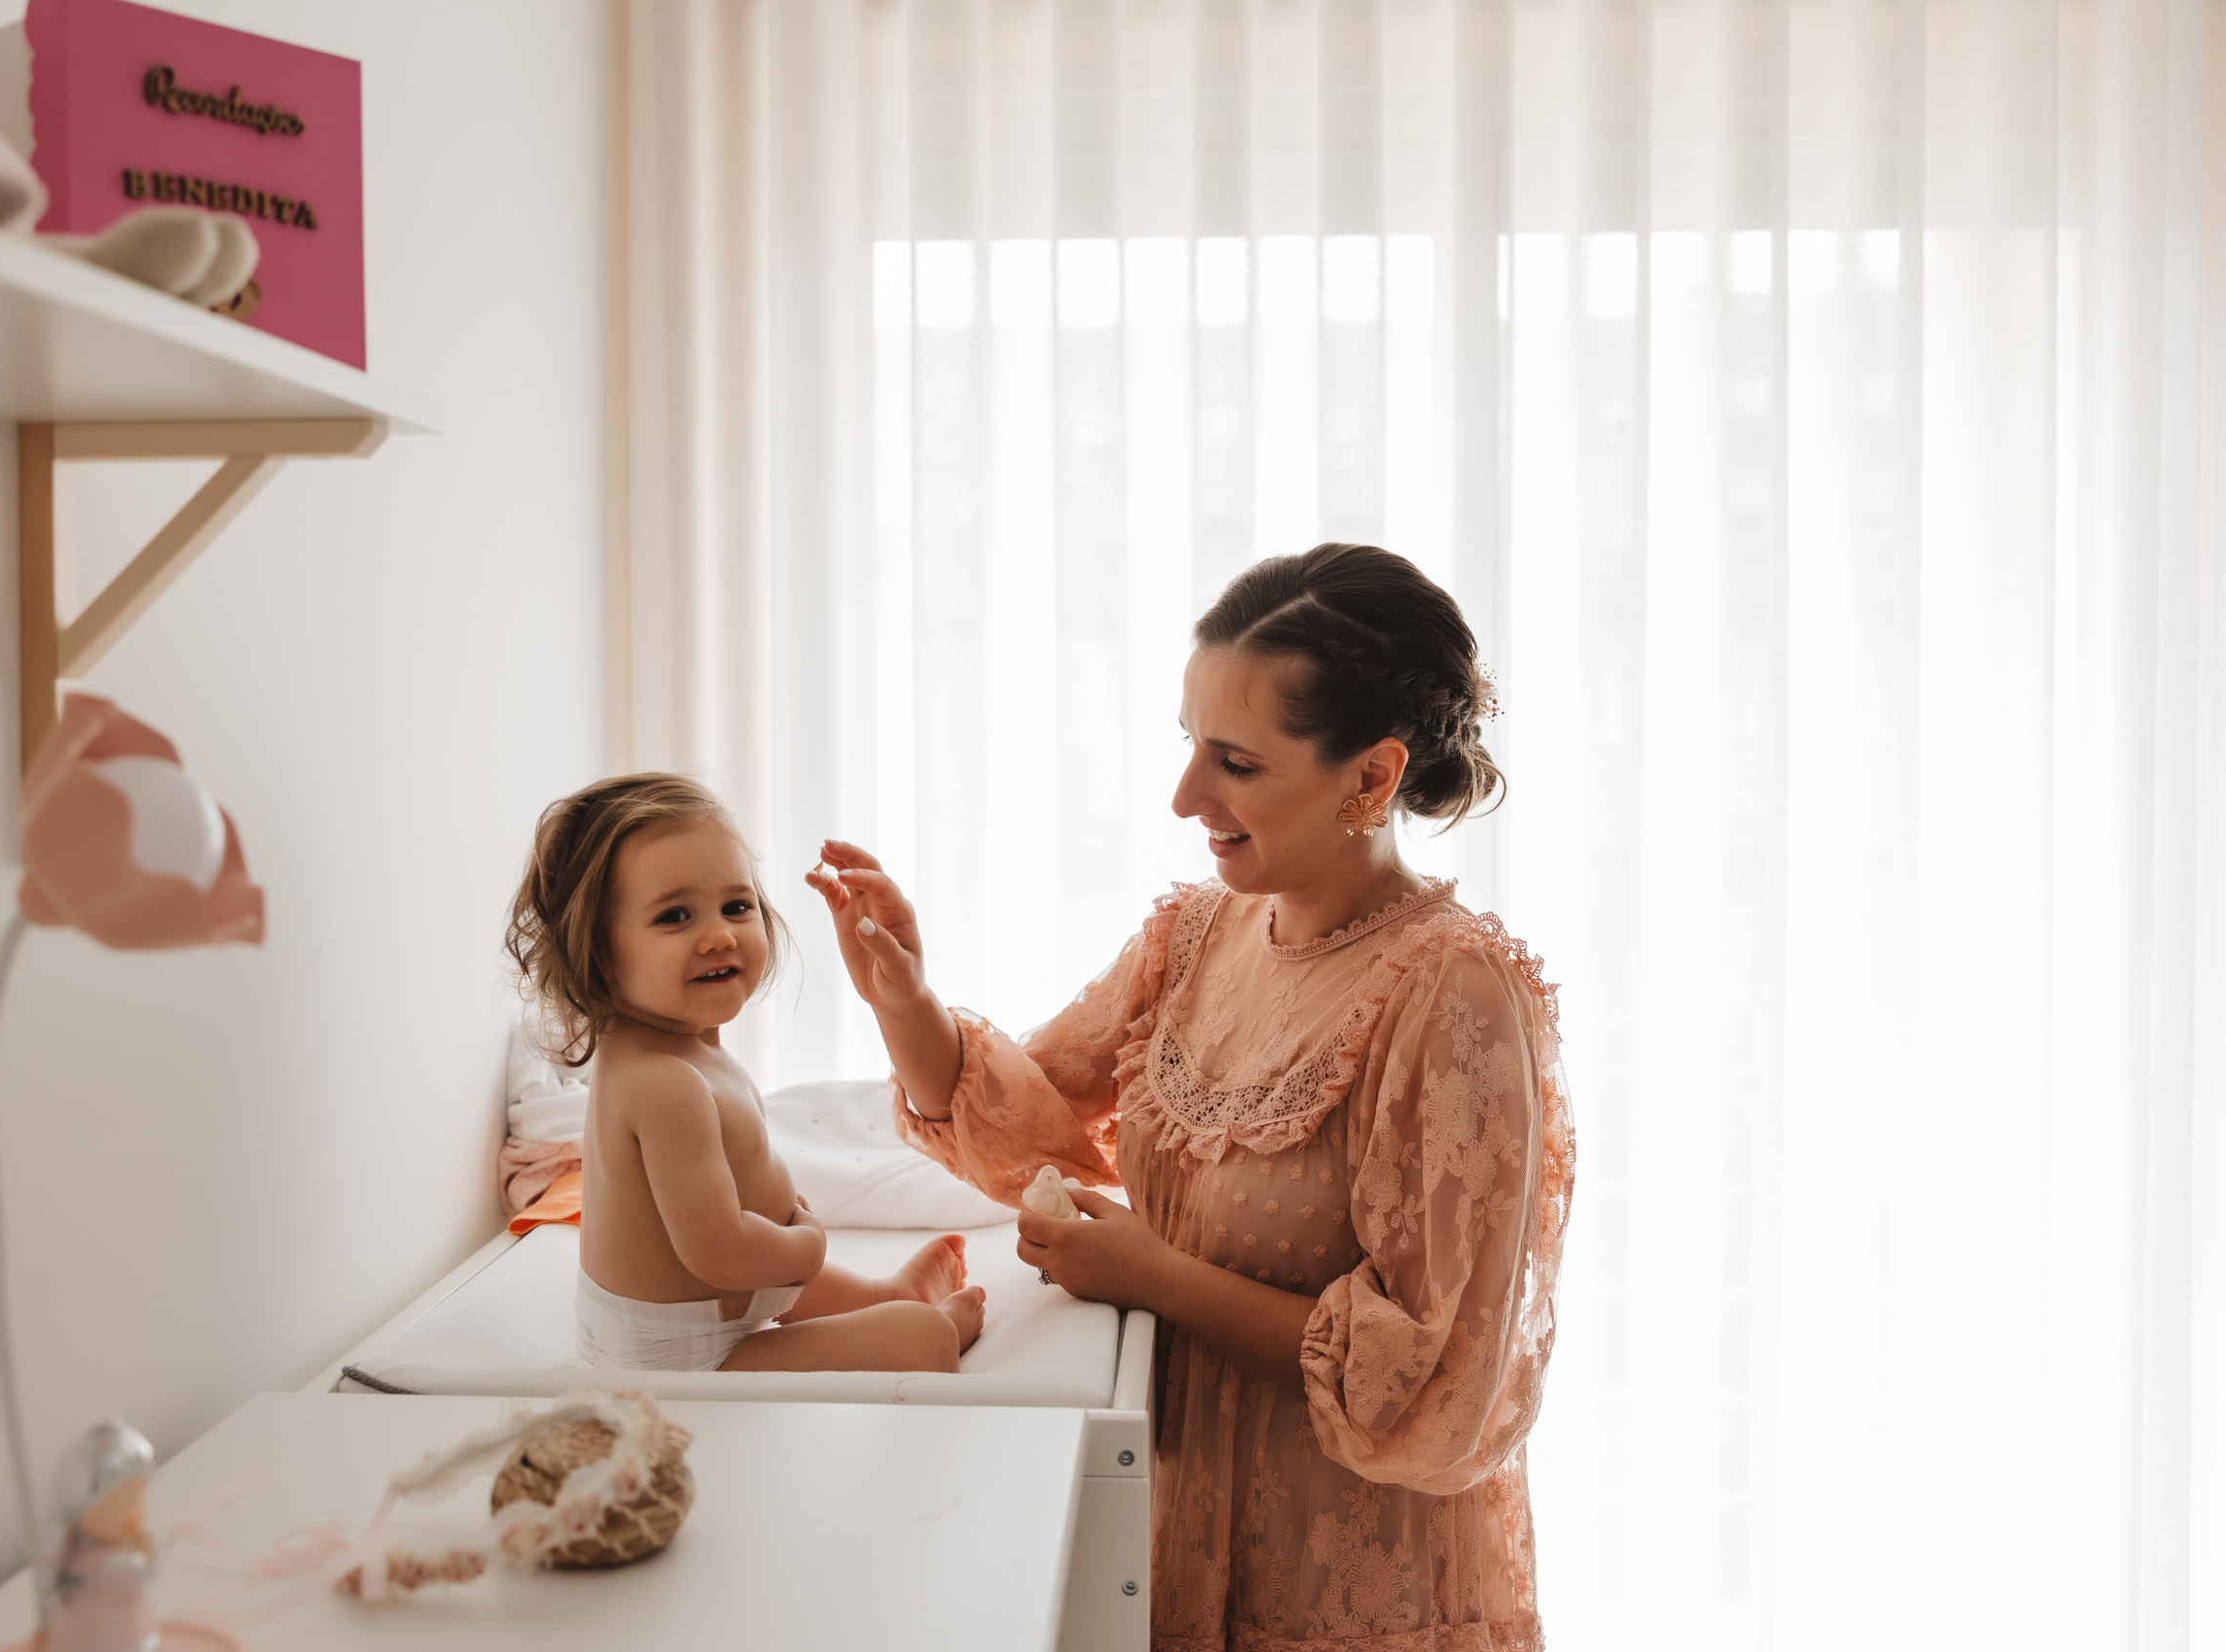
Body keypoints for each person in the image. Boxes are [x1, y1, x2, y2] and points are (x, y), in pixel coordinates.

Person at [810, 543, 1573, 1650]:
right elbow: (1031, 1124)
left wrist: (1156, 1274)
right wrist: (904, 997)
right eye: (1187, 743)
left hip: (1349, 1565)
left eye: (1234, 761)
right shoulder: (1195, 933)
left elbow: (1433, 1378)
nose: (1184, 796)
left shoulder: (1455, 995)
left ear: (1370, 776)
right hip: (1174, 1517)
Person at [507, 773, 984, 1374]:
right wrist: (805, 1246)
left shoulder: (673, 1046)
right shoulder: (663, 1082)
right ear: (598, 953)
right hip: (682, 1357)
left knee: (807, 1286)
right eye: (675, 916)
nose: (718, 935)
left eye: (737, 906)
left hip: (710, 1309)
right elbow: (721, 1253)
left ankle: (881, 1297)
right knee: (912, 1337)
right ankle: (924, 1325)